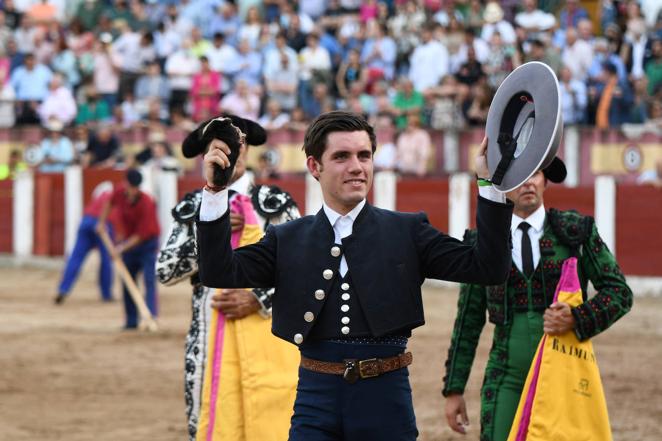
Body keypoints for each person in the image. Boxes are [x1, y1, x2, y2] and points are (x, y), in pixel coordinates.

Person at [196, 110, 514, 440]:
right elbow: (219, 270)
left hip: (386, 400)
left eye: (364, 155)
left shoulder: (407, 231)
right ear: (314, 167)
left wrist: (490, 185)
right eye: (341, 156)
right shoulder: (287, 238)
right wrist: (216, 191)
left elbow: (487, 268)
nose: (356, 166)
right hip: (315, 400)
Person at [443, 159, 633, 441]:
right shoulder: (482, 242)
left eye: (536, 173)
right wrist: (454, 388)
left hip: (564, 370)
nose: (529, 181)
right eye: (520, 176)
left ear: (545, 181)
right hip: (506, 375)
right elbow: (468, 321)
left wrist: (577, 316)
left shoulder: (575, 232)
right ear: (503, 187)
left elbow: (619, 292)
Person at [157, 115, 299, 441]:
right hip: (207, 340)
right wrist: (209, 230)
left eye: (236, 145)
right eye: (219, 147)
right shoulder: (194, 206)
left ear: (246, 149)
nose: (229, 154)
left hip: (269, 338)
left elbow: (304, 270)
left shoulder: (273, 203)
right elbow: (164, 271)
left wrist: (258, 299)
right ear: (206, 154)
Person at [96, 169, 160, 329]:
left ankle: (150, 316)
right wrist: (101, 222)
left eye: (135, 188)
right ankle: (131, 321)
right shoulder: (119, 192)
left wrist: (120, 248)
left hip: (147, 245)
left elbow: (142, 234)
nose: (132, 191)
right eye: (130, 187)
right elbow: (109, 203)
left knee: (149, 280)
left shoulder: (146, 202)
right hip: (129, 245)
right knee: (127, 280)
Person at [54, 182, 115, 304]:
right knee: (106, 260)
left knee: (75, 258)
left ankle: (63, 289)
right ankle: (106, 294)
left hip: (86, 220)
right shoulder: (117, 196)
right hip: (104, 223)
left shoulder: (99, 195)